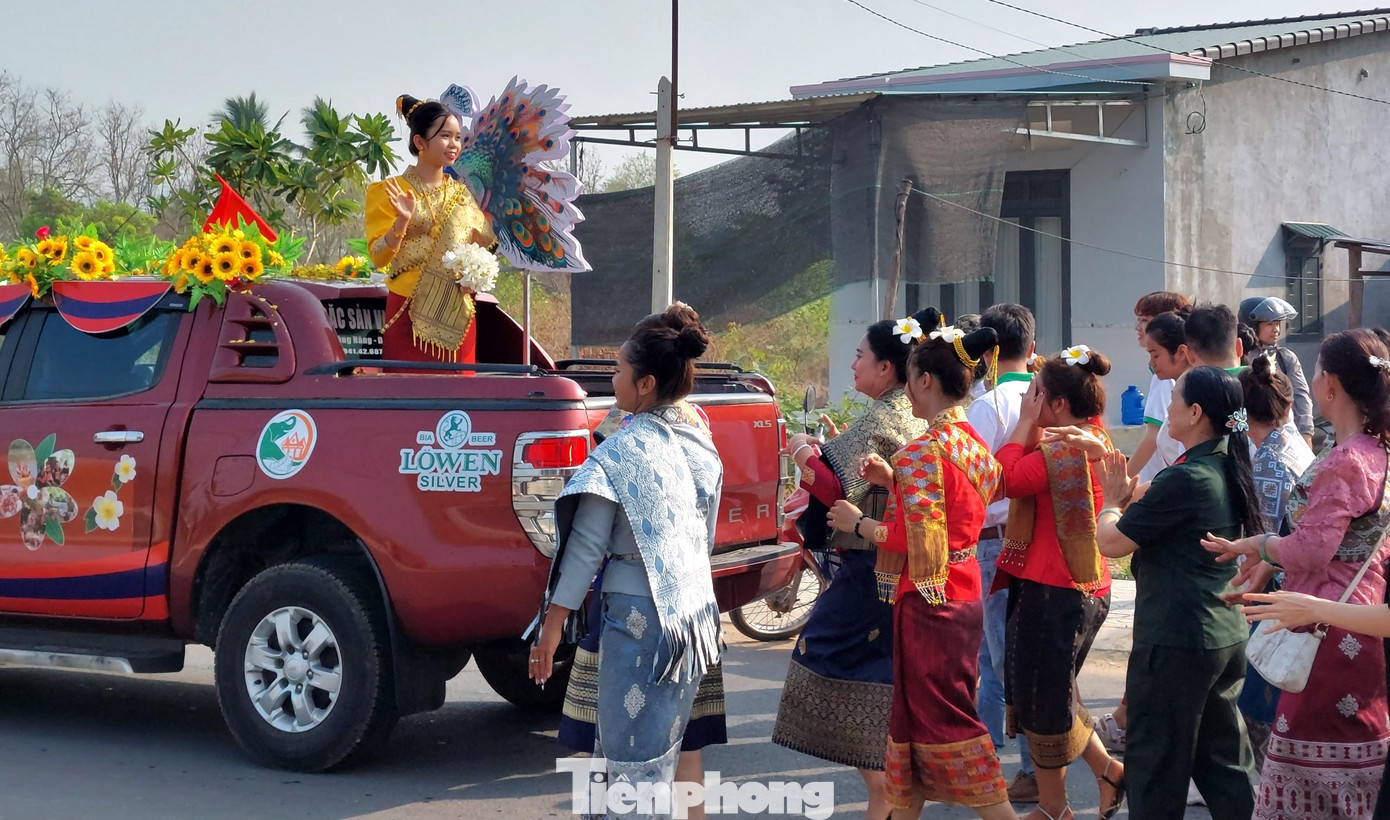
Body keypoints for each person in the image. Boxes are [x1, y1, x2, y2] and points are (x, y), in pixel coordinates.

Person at [529, 309, 723, 818]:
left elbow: (587, 546)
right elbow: (706, 539)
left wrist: (551, 629)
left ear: (645, 383)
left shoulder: (620, 451)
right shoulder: (703, 447)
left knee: (626, 763)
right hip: (692, 619)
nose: (611, 379)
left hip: (635, 616)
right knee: (662, 756)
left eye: (617, 370)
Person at [827, 325, 1017, 820]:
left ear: (927, 381)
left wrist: (861, 523)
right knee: (910, 726)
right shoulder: (972, 445)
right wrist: (894, 482)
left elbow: (918, 540)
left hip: (928, 602)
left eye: (910, 379)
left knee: (944, 720)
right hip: (964, 591)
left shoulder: (919, 455)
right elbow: (969, 504)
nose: (907, 390)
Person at [1203, 328, 1390, 819]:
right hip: (1361, 615)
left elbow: (1311, 549)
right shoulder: (1377, 451)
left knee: (1307, 766)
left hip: (1324, 625)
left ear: (1328, 383)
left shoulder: (1347, 460)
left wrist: (1257, 544)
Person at [771, 309, 934, 820]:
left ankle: (885, 785)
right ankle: (887, 788)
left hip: (871, 564)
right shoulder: (905, 412)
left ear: (887, 368)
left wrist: (800, 450)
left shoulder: (885, 414)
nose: (853, 365)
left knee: (822, 654)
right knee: (877, 672)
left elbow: (837, 482)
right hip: (892, 563)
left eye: (860, 356)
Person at [1092, 366, 1259, 819]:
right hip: (1220, 632)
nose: (1168, 408)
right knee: (1224, 762)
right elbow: (1151, 502)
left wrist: (1109, 501)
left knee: (1155, 767)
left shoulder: (1189, 477)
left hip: (1176, 637)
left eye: (1176, 399)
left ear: (1196, 412)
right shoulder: (1226, 462)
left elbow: (1110, 542)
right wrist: (1128, 496)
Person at [994, 346, 1125, 820]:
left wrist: (1023, 424)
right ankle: (1106, 774)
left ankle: (1055, 811)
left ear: (1057, 403)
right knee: (1056, 696)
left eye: (1035, 395)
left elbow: (1004, 476)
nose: (1030, 400)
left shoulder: (1064, 448)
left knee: (1043, 706)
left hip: (1056, 591)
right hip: (1076, 587)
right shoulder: (1090, 437)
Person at [966, 304, 1040, 803]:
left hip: (994, 542)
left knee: (997, 661)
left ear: (988, 352)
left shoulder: (986, 407)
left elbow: (977, 486)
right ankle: (1017, 766)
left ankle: (1001, 767)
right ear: (1032, 348)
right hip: (1040, 538)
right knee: (1016, 658)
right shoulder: (1047, 398)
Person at [366, 95, 498, 363]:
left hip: (456, 316)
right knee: (411, 396)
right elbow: (378, 257)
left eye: (458, 137)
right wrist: (401, 222)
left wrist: (473, 279)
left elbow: (487, 246)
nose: (454, 145)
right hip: (407, 310)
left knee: (459, 397)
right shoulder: (389, 191)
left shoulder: (462, 196)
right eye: (445, 136)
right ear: (419, 142)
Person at [1235, 354, 1316, 774]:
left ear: (1243, 415)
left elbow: (1267, 543)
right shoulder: (1299, 446)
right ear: (1287, 408)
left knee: (1261, 707)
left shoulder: (1267, 462)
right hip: (1299, 593)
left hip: (1276, 597)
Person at [1128, 292, 1192, 483]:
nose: (1138, 327)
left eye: (1145, 320)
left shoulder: (1167, 377)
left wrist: (1123, 480)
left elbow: (1152, 438)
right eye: (1138, 320)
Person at [1240, 296, 1314, 445]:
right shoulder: (1241, 357)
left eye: (1278, 324)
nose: (1276, 329)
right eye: (1269, 324)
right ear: (1253, 326)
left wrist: (1306, 432)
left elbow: (1301, 395)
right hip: (1247, 437)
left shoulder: (1286, 357)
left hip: (1284, 438)